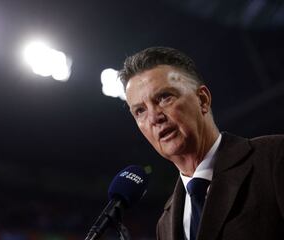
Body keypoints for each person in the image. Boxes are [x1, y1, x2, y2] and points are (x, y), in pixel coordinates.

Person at [118, 47, 284, 240]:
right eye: (140, 111)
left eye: (164, 97)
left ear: (202, 100)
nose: (154, 117)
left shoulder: (273, 158)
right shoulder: (165, 225)